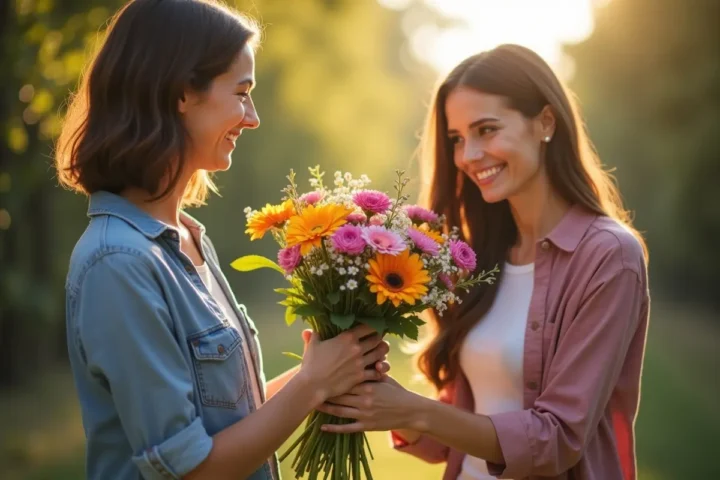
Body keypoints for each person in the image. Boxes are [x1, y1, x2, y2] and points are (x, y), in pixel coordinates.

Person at [55, 1, 389, 479]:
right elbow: (190, 470)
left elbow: (226, 422)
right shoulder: (118, 262)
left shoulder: (185, 237)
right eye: (241, 93)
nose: (251, 117)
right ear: (181, 94)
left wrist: (331, 367)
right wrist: (313, 385)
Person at [316, 44, 650, 480]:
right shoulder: (480, 256)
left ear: (545, 123)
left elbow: (557, 440)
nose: (468, 156)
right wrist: (375, 396)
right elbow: (463, 429)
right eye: (457, 139)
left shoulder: (608, 256)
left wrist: (415, 412)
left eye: (486, 130)